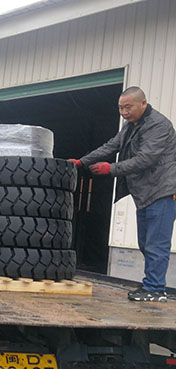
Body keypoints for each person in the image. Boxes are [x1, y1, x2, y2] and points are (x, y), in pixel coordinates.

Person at [69, 86, 176, 302]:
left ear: (143, 103)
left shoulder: (158, 125)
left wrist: (111, 169)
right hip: (145, 193)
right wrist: (82, 162)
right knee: (145, 243)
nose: (124, 112)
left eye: (128, 107)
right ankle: (152, 284)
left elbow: (146, 158)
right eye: (120, 108)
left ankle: (155, 289)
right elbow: (111, 146)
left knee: (156, 244)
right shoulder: (131, 126)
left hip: (162, 192)